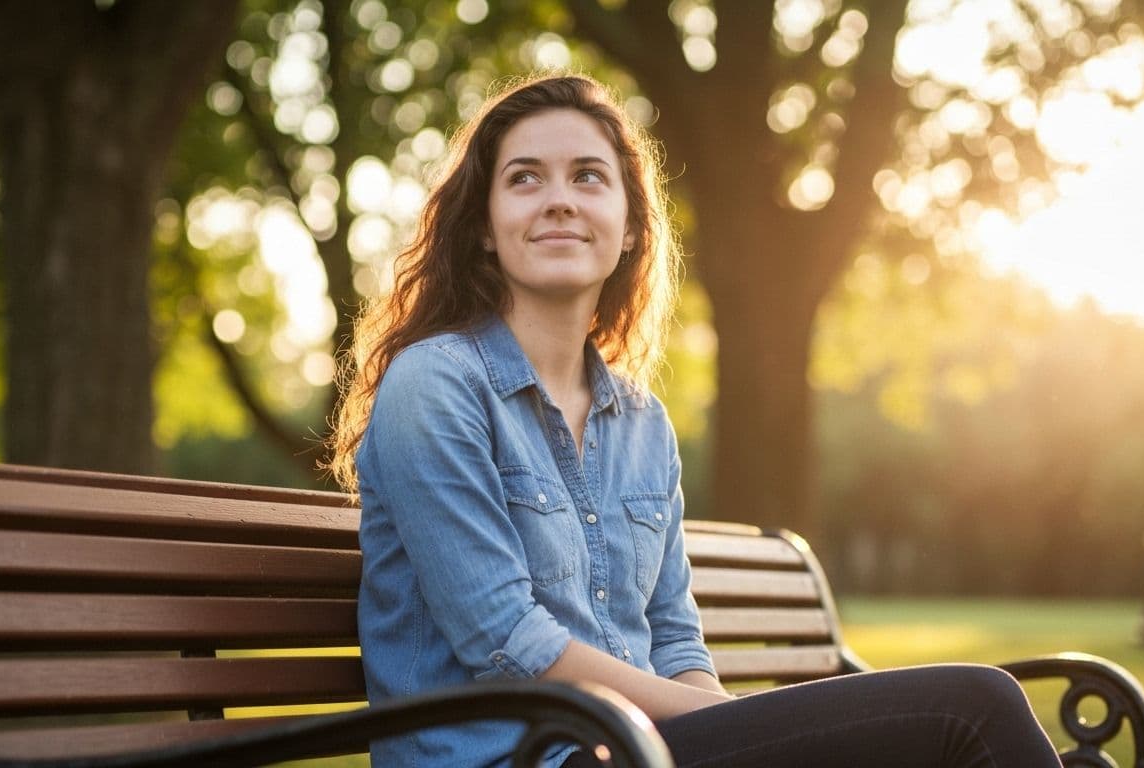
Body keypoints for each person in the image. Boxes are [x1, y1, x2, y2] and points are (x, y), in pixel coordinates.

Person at [329, 73, 1062, 768]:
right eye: (524, 178)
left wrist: (748, 738)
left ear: (627, 231)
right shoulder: (436, 384)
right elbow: (506, 639)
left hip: (637, 751)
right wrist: (724, 729)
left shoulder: (641, 423)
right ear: (485, 228)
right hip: (516, 758)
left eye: (588, 176)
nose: (558, 200)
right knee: (973, 708)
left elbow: (677, 638)